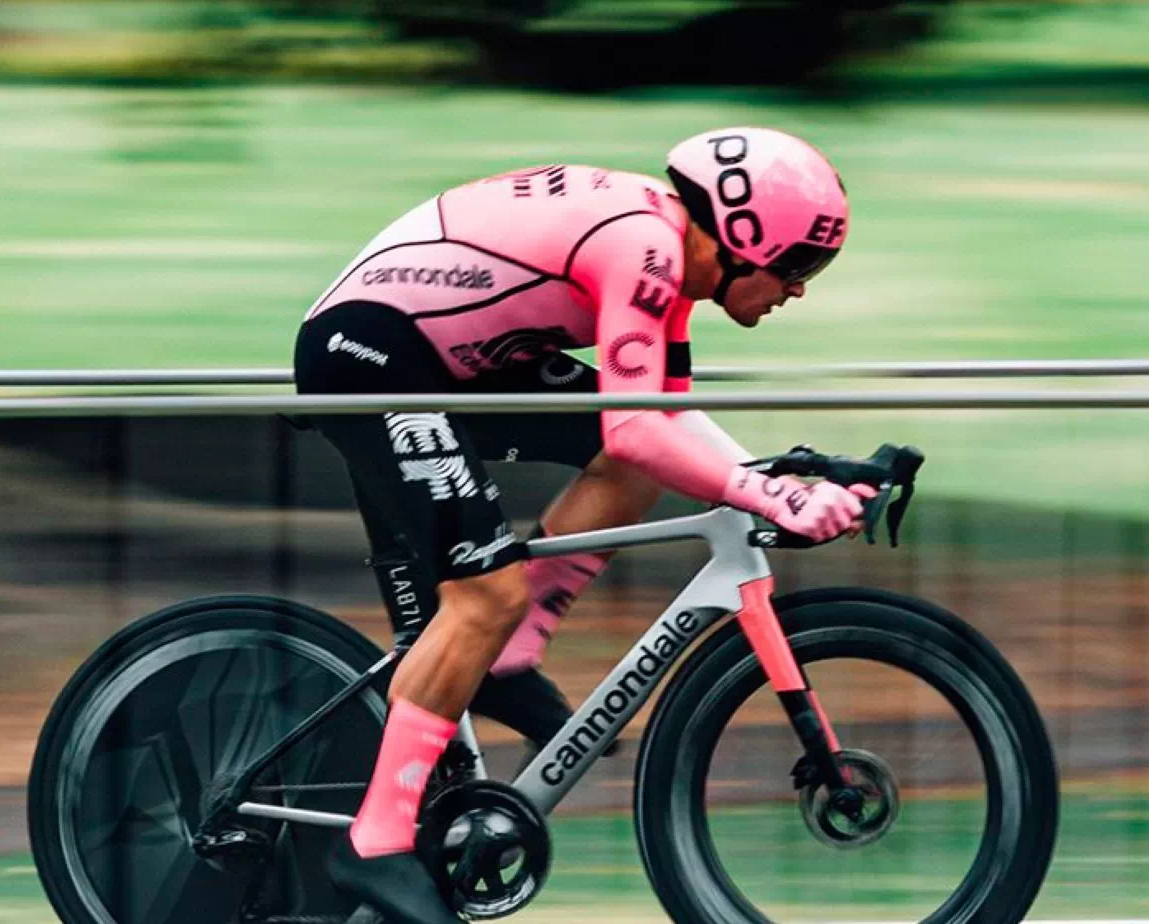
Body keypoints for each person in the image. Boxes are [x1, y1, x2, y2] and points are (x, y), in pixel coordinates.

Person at [293, 127, 874, 924]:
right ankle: (376, 839)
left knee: (632, 466)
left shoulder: (666, 265)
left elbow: (661, 429)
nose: (799, 290)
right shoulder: (646, 249)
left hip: (443, 353)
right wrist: (772, 498)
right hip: (372, 349)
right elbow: (639, 426)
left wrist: (789, 478)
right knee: (483, 595)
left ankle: (508, 655)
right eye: (799, 265)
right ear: (743, 235)